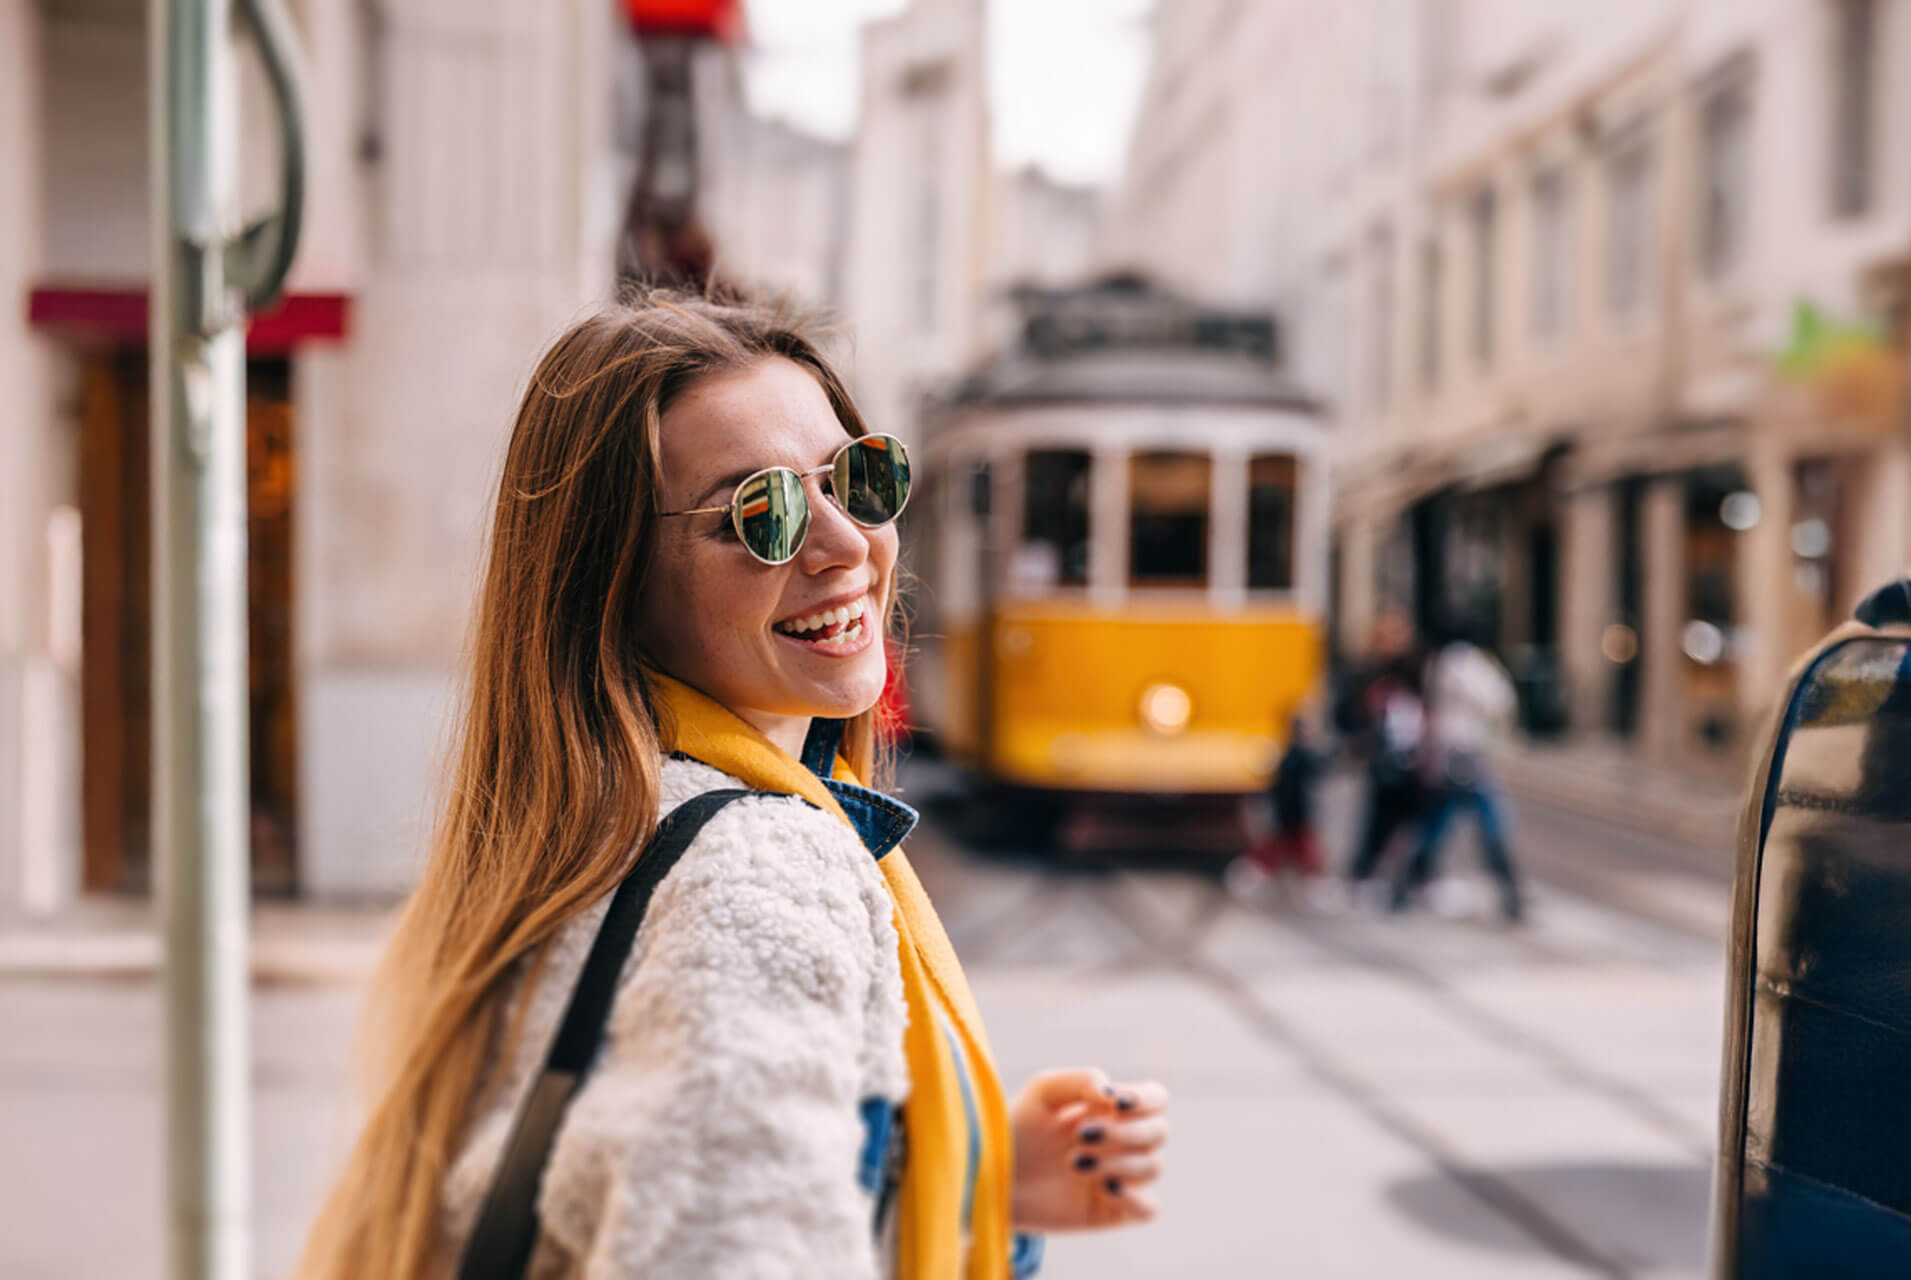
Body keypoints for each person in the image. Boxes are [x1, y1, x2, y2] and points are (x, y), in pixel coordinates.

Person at [298, 291, 1169, 1279]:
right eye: (761, 513)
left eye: (858, 478)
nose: (848, 544)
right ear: (615, 584)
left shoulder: (588, 836)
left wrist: (974, 1191)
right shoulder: (756, 873)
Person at [1389, 627, 1525, 922]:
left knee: (1438, 827)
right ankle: (1511, 895)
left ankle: (1403, 888)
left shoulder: (1444, 665)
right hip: (1466, 757)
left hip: (1456, 757)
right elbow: (1500, 701)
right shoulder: (1468, 664)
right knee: (1477, 826)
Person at [1343, 616, 1427, 893]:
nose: (1398, 641)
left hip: (1412, 758)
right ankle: (1363, 875)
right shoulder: (1371, 674)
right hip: (1384, 759)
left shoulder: (1414, 670)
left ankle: (1412, 878)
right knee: (1379, 821)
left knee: (1416, 823)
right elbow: (1353, 712)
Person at [1225, 714, 1324, 902]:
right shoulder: (1295, 756)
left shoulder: (1285, 756)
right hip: (1292, 814)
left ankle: (1304, 883)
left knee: (1287, 851)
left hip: (1288, 813)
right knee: (1289, 851)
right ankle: (1253, 876)